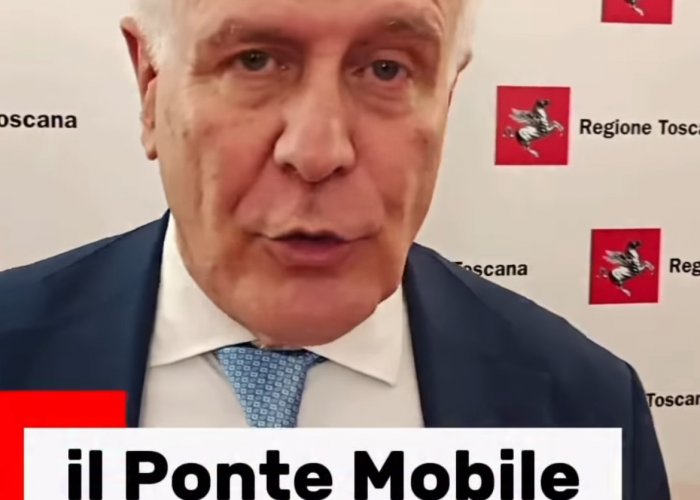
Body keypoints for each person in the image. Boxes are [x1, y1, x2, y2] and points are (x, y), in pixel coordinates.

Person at [0, 0, 669, 498]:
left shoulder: (583, 411)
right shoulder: (16, 361)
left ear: (446, 98)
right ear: (152, 85)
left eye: (386, 69)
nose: (318, 151)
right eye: (254, 60)